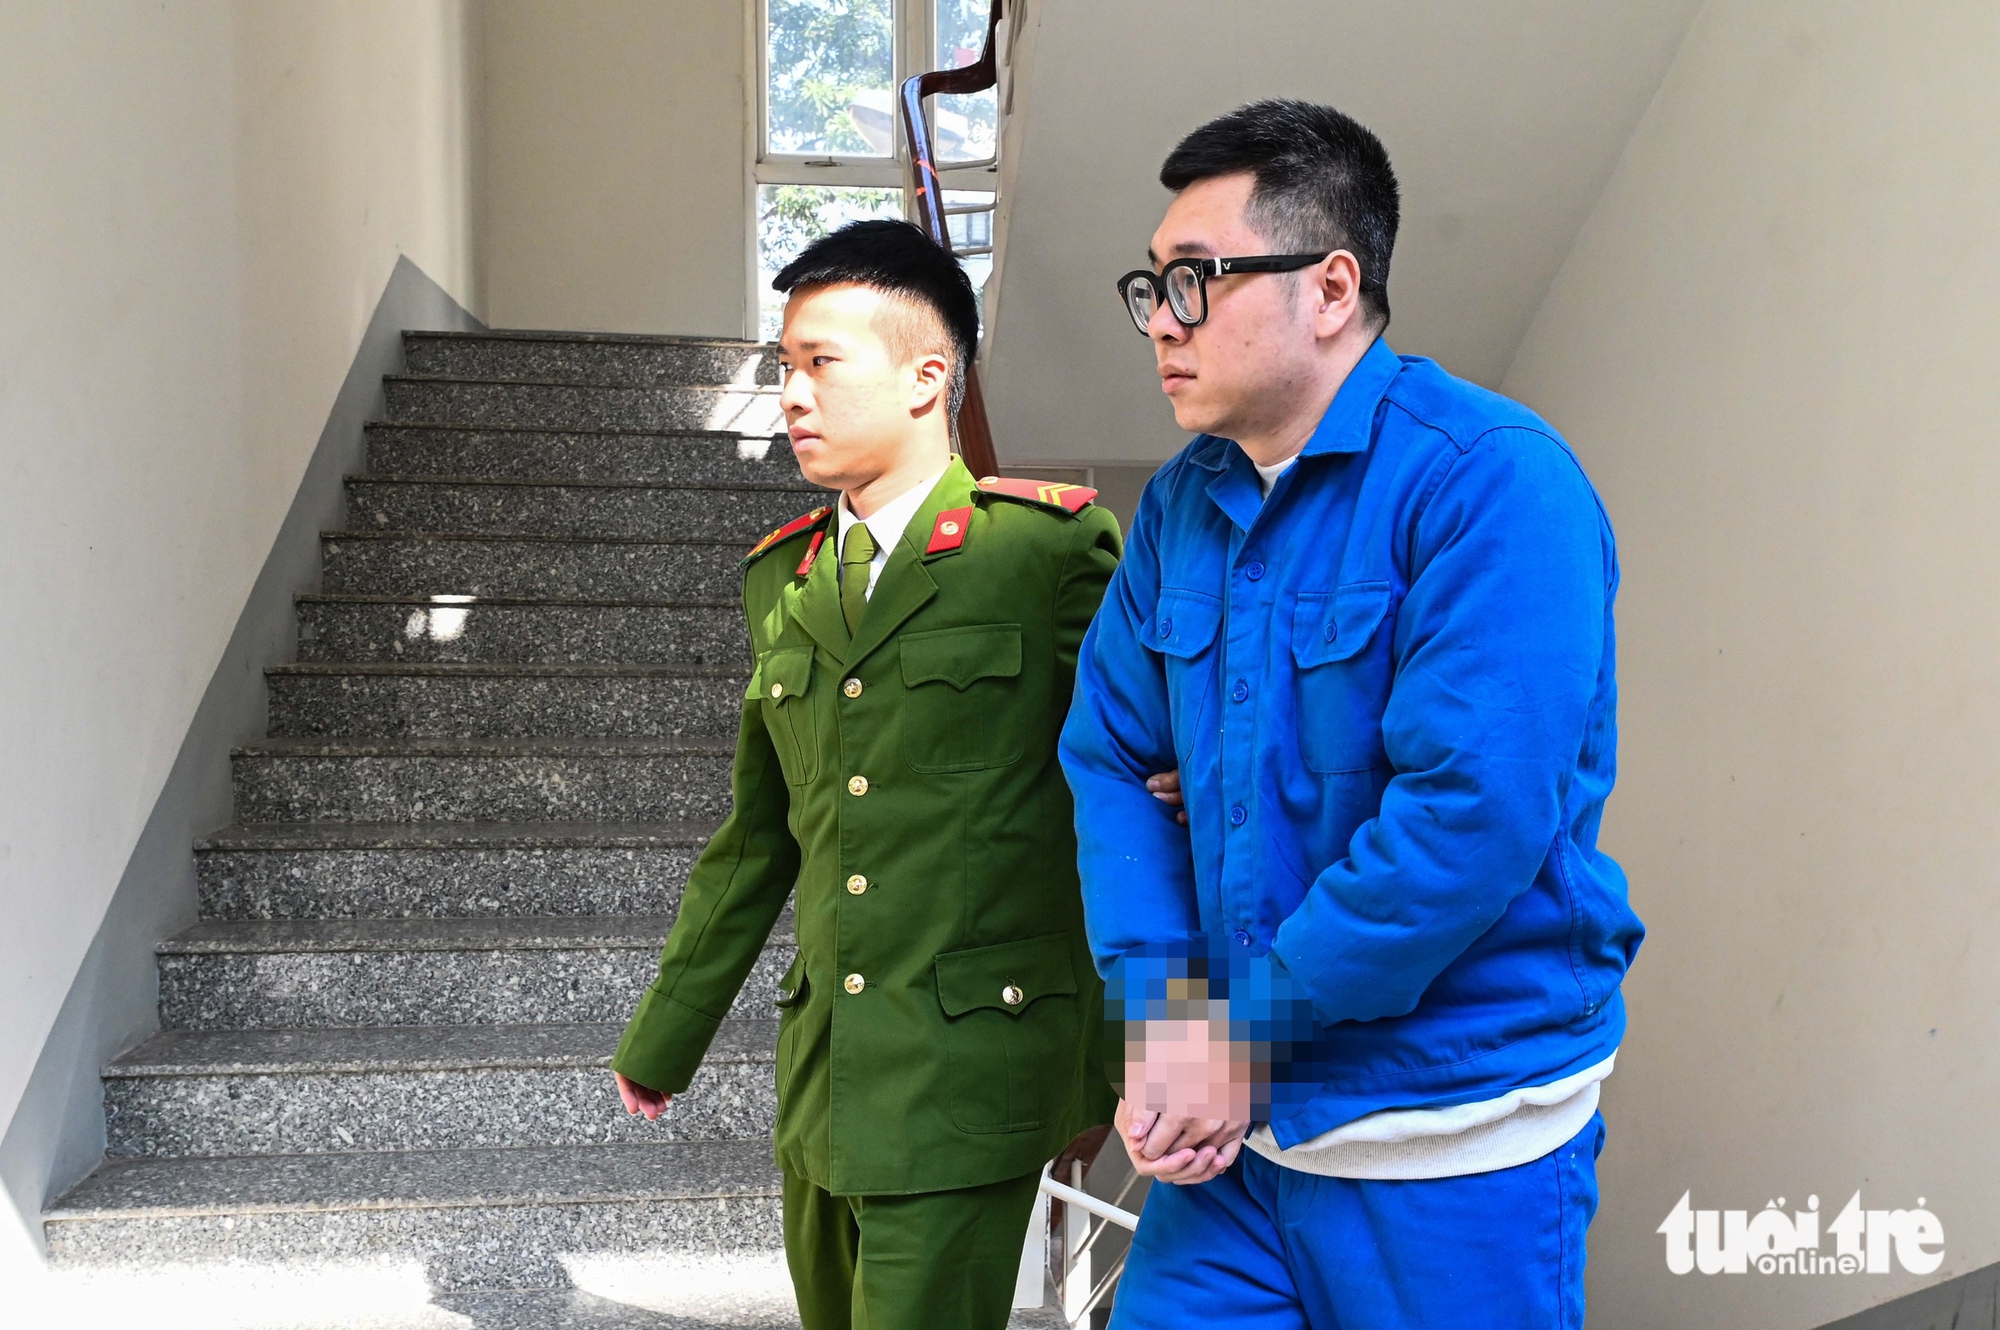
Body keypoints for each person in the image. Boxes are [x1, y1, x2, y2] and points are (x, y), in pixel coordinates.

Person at [1058, 100, 1646, 1329]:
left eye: (1194, 280)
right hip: (1235, 1147)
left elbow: (1465, 817)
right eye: (1151, 285)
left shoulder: (1490, 480)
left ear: (1329, 288)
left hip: (1450, 1136)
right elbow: (1109, 754)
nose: (1160, 320)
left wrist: (1237, 1037)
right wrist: (1166, 1018)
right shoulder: (1180, 505)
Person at [610, 219, 1122, 1330]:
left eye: (820, 363)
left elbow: (1142, 797)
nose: (790, 396)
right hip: (826, 1077)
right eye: (782, 366)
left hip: (972, 1065)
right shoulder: (780, 578)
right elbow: (760, 835)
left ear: (926, 377)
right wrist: (667, 1032)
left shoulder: (1045, 553)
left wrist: (1177, 1048)